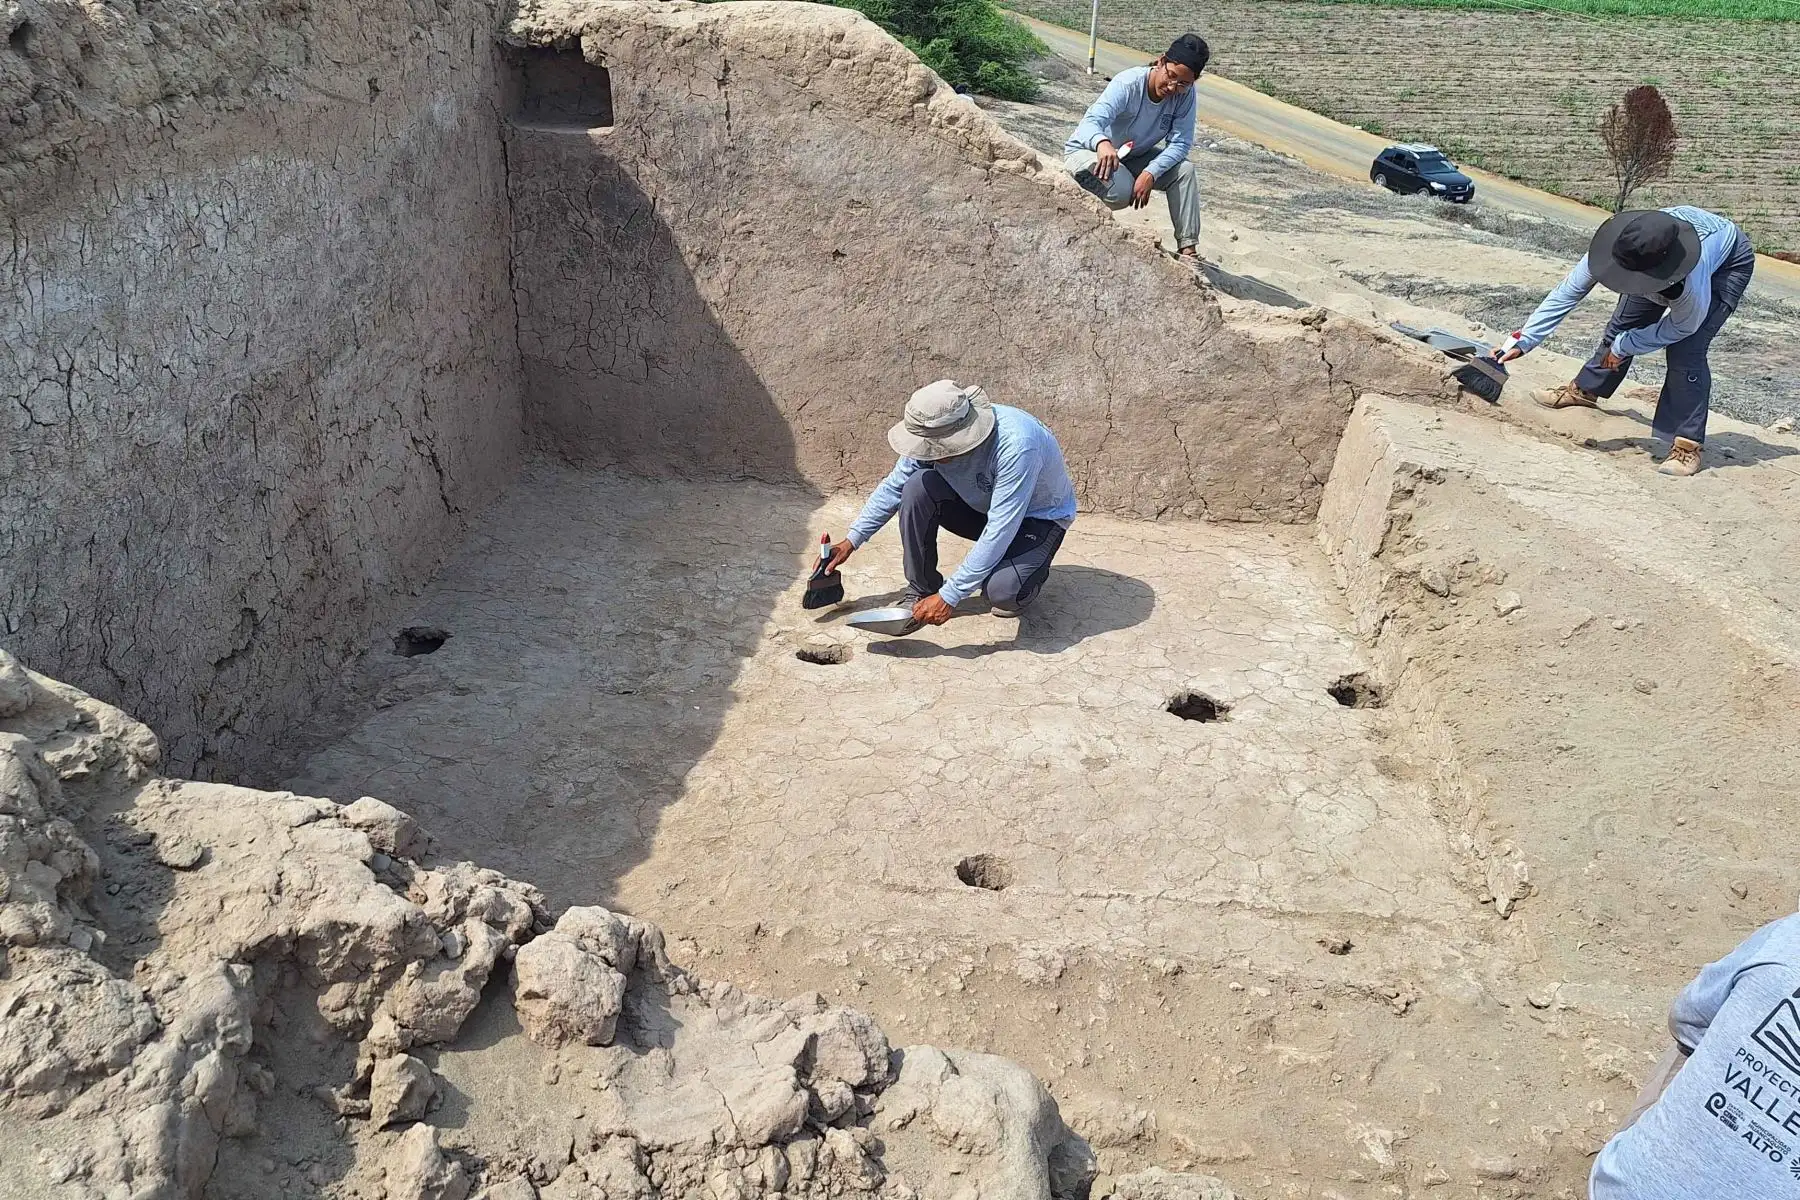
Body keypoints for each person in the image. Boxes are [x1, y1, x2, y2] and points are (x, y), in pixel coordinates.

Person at [1498, 205, 1756, 478]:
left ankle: (1687, 445)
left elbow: (1682, 327)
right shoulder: (1624, 244)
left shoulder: (1692, 279)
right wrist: (1524, 339)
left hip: (1728, 261)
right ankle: (1586, 390)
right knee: (1622, 323)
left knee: (1687, 351)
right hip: (1657, 255)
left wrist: (1626, 345)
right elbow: (1567, 293)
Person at [825, 380, 1076, 630]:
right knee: (916, 487)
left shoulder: (1017, 445)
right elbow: (894, 487)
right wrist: (851, 540)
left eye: (936, 448)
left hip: (1036, 520)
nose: (927, 452)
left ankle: (1027, 577)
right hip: (982, 508)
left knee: (1002, 592)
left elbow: (1002, 526)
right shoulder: (929, 433)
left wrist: (951, 595)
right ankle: (922, 589)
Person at [1588, 908, 1800, 1199]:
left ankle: (1648, 1162)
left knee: (1699, 1036)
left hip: (1620, 1189)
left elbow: (1688, 1017)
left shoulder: (1790, 934)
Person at [1063, 33, 1208, 262]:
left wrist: (1152, 172)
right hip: (1089, 150)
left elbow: (1180, 143)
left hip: (1131, 157)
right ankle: (1072, 200)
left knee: (1185, 171)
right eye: (1170, 76)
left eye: (1183, 83)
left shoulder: (1185, 96)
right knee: (1121, 192)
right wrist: (1102, 143)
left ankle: (1188, 251)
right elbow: (1089, 123)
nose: (1172, 87)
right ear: (1161, 62)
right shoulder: (1129, 83)